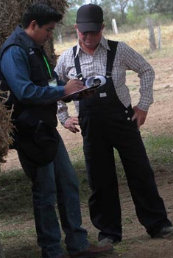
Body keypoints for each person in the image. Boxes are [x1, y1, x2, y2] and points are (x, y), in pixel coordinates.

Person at [56, 3, 173, 246]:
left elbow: (146, 70)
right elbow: (56, 87)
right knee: (100, 180)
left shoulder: (119, 50)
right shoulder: (67, 58)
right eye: (84, 33)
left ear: (102, 28)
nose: (89, 38)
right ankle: (108, 233)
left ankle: (158, 224)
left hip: (123, 121)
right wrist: (64, 116)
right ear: (76, 29)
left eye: (94, 32)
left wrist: (143, 105)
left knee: (140, 172)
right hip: (91, 126)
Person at [0, 3, 113, 258]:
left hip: (45, 129)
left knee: (68, 184)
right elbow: (25, 92)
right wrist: (62, 90)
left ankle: (78, 245)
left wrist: (75, 89)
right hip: (30, 132)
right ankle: (52, 251)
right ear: (33, 26)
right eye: (48, 30)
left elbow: (49, 82)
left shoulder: (35, 49)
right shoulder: (14, 52)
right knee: (45, 192)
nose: (51, 35)